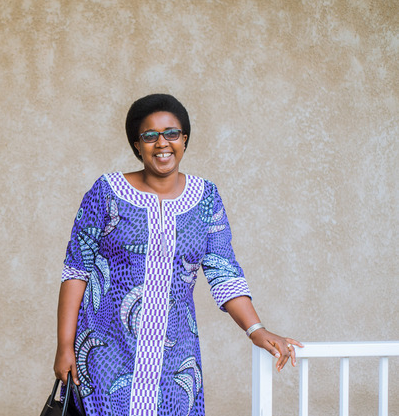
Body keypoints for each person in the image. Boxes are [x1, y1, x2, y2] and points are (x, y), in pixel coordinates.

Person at [53, 94, 302, 415]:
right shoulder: (106, 191)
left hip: (175, 360)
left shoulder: (205, 197)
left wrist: (256, 329)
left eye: (171, 133)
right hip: (106, 354)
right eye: (150, 135)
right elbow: (76, 271)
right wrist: (65, 346)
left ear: (184, 139)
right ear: (137, 144)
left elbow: (223, 271)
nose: (162, 143)